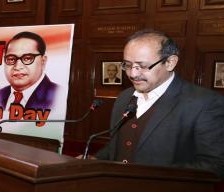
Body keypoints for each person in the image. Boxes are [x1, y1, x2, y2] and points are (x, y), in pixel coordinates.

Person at [85, 29, 224, 179]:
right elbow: (118, 146)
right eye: (127, 65)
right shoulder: (124, 97)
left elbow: (215, 166)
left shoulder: (205, 103)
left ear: (170, 63)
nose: (133, 74)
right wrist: (96, 160)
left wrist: (154, 178)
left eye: (142, 66)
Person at [0, 31, 59, 110]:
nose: (17, 67)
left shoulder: (57, 96)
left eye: (27, 58)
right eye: (11, 59)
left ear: (43, 61)